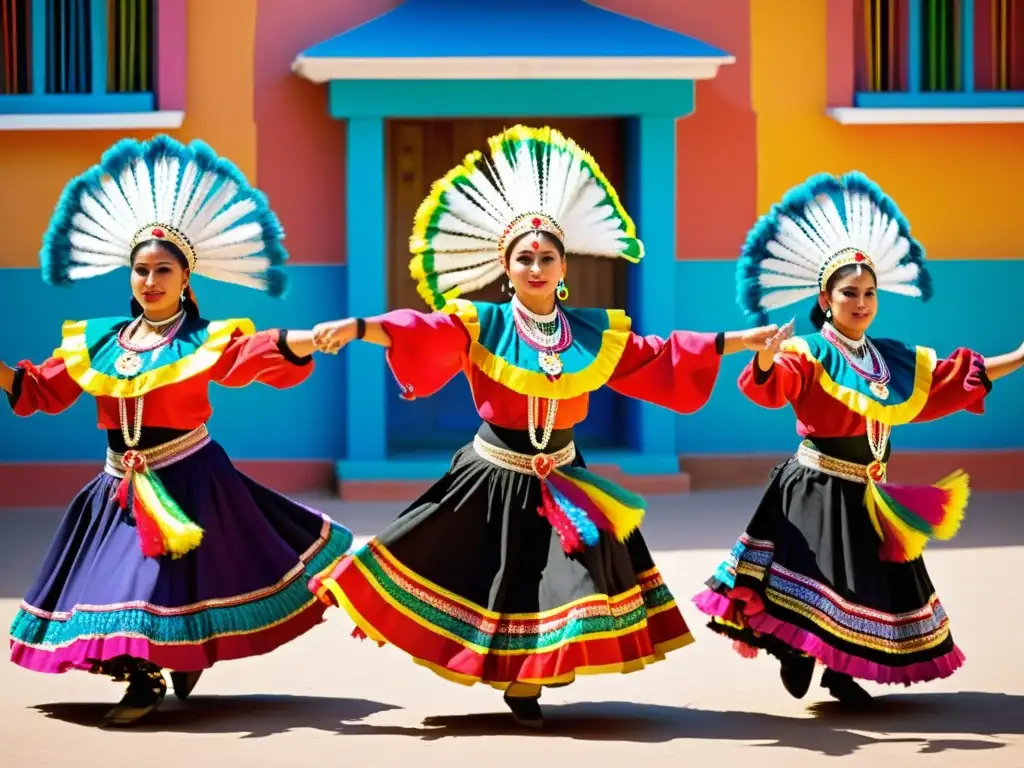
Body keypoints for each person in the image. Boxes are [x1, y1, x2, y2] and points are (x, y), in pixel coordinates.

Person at [307, 124, 778, 728]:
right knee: (494, 580)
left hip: (568, 480)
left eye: (546, 257)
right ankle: (513, 677)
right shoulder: (479, 322)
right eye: (524, 257)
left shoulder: (589, 332)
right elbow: (422, 331)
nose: (535, 265)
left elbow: (655, 356)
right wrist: (360, 327)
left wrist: (737, 340)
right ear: (506, 269)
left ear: (564, 268)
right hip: (493, 475)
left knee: (568, 580)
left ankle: (532, 680)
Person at [2, 135, 353, 727]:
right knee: (121, 589)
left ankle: (154, 673)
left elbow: (254, 353)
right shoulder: (100, 341)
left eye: (163, 270)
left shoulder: (203, 338)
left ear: (186, 277)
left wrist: (305, 339)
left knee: (165, 582)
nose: (150, 281)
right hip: (118, 489)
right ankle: (148, 669)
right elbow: (39, 389)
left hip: (191, 479)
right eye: (141, 270)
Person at [692, 171, 1024, 707]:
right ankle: (796, 651)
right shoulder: (808, 352)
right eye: (850, 293)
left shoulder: (889, 357)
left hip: (872, 494)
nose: (862, 302)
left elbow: (949, 378)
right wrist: (765, 358)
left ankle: (841, 674)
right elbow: (773, 388)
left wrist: (1019, 355)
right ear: (826, 298)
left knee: (866, 588)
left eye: (870, 293)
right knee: (818, 582)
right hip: (817, 488)